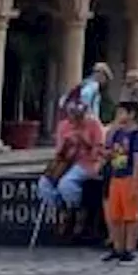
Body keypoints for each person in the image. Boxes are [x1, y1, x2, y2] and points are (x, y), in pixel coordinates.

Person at [37, 100, 105, 233]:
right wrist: (67, 144)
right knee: (44, 184)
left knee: (66, 184)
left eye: (78, 115)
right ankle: (63, 208)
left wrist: (84, 141)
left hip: (87, 162)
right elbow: (59, 151)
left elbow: (99, 150)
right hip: (66, 162)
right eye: (72, 114)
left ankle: (78, 210)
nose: (74, 118)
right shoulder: (63, 125)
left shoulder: (94, 125)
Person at [101, 98, 138, 263]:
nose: (118, 116)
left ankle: (129, 248)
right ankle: (118, 247)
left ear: (131, 114)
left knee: (131, 216)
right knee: (116, 216)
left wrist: (136, 184)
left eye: (122, 112)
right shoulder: (117, 134)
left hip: (130, 177)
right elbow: (109, 150)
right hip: (117, 177)